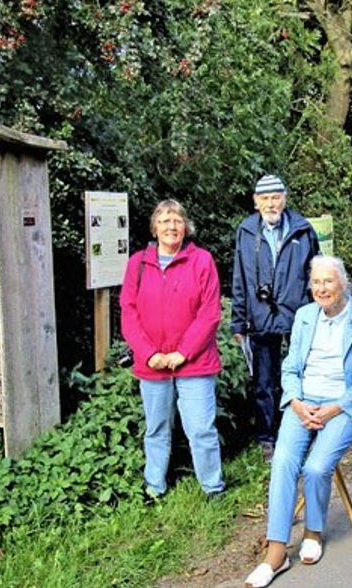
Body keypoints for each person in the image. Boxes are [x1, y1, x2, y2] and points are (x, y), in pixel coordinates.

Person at [244, 256, 352, 588]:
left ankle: (313, 532)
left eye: (328, 282)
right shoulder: (305, 317)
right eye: (316, 282)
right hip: (303, 403)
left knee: (318, 467)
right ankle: (276, 553)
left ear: (343, 284)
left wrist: (335, 408)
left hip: (343, 406)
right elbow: (290, 368)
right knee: (283, 461)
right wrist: (295, 401)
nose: (321, 288)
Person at [120, 200, 226, 500]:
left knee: (201, 431)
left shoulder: (201, 261)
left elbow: (210, 312)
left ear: (185, 226)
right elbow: (128, 312)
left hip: (195, 363)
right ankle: (155, 487)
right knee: (156, 429)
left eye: (177, 221)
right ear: (154, 227)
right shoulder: (137, 264)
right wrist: (149, 353)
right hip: (151, 365)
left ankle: (213, 487)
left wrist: (183, 352)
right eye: (165, 221)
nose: (171, 226)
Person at [232, 175, 320, 461]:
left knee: (300, 376)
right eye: (265, 198)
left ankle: (302, 430)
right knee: (264, 382)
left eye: (276, 197)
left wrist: (319, 313)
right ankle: (267, 438)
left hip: (298, 315)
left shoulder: (303, 230)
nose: (271, 203)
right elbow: (240, 279)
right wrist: (238, 321)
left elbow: (315, 274)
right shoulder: (246, 231)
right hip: (260, 316)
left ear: (285, 198)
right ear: (256, 202)